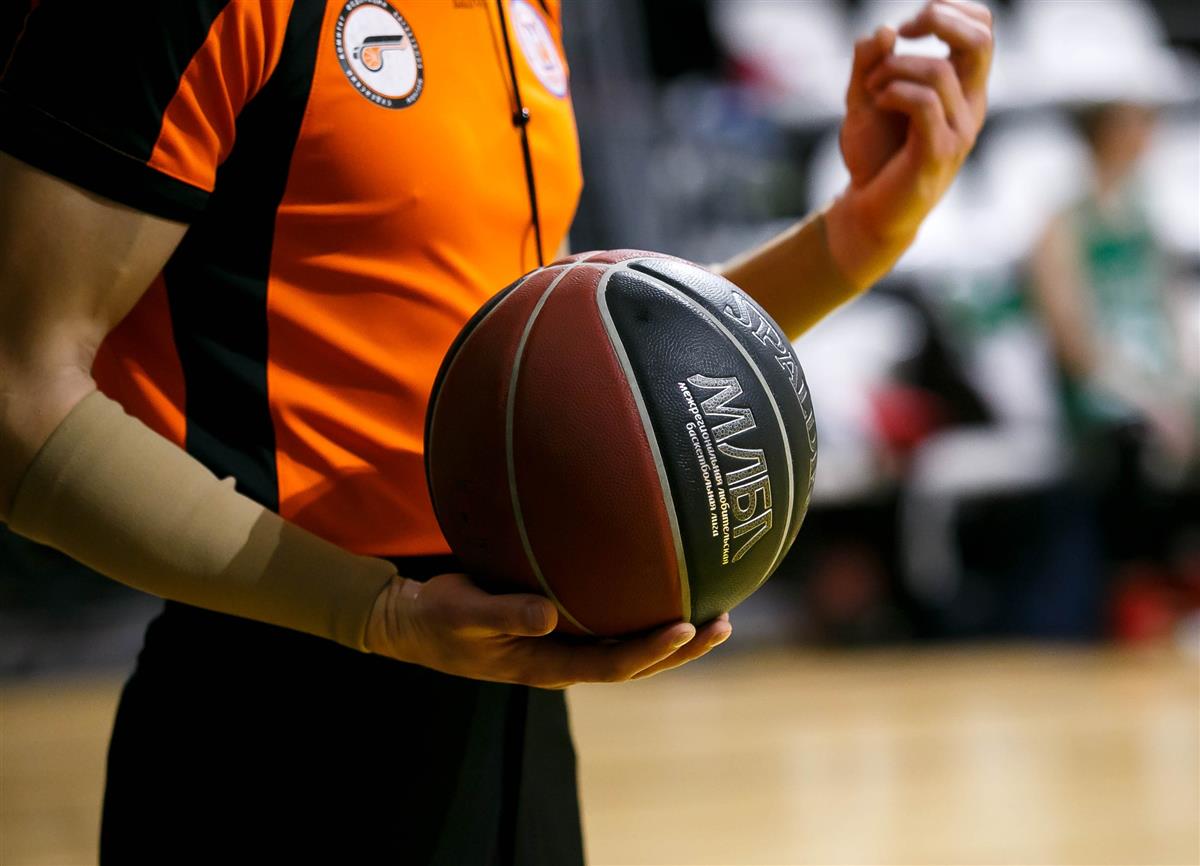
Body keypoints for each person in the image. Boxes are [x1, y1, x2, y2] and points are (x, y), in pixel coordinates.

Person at [0, 0, 992, 861]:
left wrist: (857, 235)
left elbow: (564, 374)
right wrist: (377, 611)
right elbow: (17, 395)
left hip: (507, 707)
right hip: (268, 727)